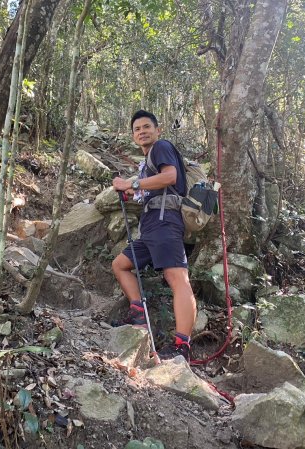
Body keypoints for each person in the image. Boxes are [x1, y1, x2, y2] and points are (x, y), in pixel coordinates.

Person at [112, 109, 196, 362]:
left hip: (165, 222)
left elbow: (170, 177)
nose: (142, 132)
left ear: (158, 130)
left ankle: (182, 345)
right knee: (121, 265)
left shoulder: (161, 147)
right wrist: (132, 192)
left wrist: (132, 184)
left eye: (147, 126)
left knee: (177, 277)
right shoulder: (147, 162)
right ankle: (138, 311)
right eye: (137, 129)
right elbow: (154, 187)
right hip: (151, 225)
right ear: (133, 136)